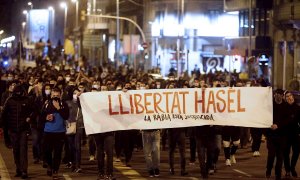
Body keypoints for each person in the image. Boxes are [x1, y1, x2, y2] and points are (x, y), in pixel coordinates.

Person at [0, 84, 35, 179]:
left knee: (23, 150)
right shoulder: (9, 100)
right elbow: (3, 114)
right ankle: (18, 169)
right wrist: (3, 126)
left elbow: (34, 111)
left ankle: (24, 171)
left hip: (23, 129)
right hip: (12, 130)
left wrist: (29, 118)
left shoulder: (27, 100)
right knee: (16, 150)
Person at [41, 87, 69, 179]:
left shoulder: (63, 104)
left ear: (60, 95)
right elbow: (40, 117)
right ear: (51, 95)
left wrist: (59, 108)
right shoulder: (46, 104)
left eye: (57, 95)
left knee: (58, 153)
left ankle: (55, 171)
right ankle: (49, 165)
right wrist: (46, 118)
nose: (55, 97)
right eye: (54, 95)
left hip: (60, 132)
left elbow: (66, 116)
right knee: (47, 151)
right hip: (48, 132)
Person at [95, 84, 115, 180]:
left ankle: (110, 173)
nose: (103, 90)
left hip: (109, 130)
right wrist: (79, 96)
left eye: (105, 89)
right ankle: (101, 173)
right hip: (98, 130)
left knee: (110, 152)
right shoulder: (95, 101)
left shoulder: (111, 101)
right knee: (100, 153)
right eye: (101, 89)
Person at [265, 89, 287, 179]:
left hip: (282, 135)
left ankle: (278, 174)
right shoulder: (269, 106)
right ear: (274, 95)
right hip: (271, 135)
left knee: (280, 156)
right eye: (277, 94)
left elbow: (287, 120)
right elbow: (265, 117)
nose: (278, 96)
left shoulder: (285, 106)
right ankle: (268, 170)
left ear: (282, 96)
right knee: (271, 155)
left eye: (280, 94)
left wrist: (278, 125)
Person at [283, 91, 300, 178]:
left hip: (295, 133)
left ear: (293, 97)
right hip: (285, 134)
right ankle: (287, 170)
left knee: (296, 152)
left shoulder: (298, 107)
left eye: (290, 96)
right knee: (286, 153)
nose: (289, 97)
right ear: (285, 99)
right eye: (287, 96)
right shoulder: (283, 108)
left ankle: (292, 168)